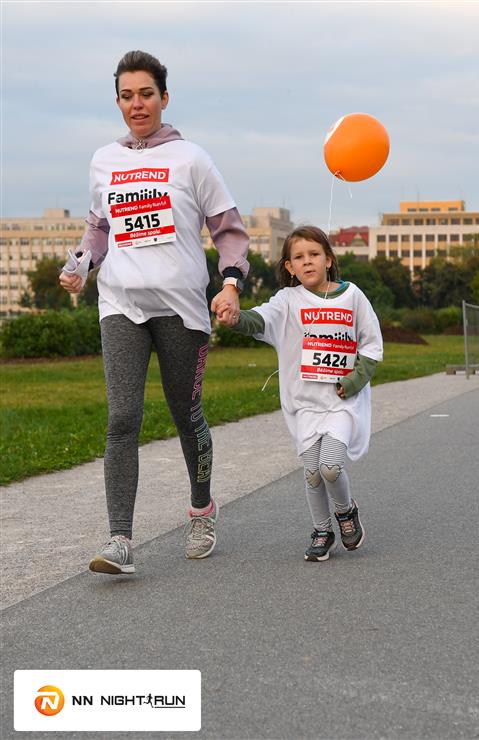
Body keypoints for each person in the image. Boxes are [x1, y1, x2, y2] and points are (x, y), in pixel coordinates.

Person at [59, 50, 249, 573]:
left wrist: (230, 285)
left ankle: (202, 509)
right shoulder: (104, 160)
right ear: (118, 102)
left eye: (146, 94)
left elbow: (229, 231)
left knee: (186, 413)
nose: (136, 104)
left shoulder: (192, 159)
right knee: (122, 418)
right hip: (120, 304)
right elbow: (99, 229)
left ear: (164, 98)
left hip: (181, 309)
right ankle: (120, 540)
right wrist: (80, 265)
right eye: (126, 96)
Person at [215, 225, 383, 562]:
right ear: (289, 266)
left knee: (330, 467)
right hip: (305, 405)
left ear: (328, 259)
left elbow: (372, 346)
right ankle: (322, 531)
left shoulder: (352, 296)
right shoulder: (287, 300)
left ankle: (345, 511)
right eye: (299, 257)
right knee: (312, 473)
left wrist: (353, 381)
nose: (307, 262)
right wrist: (235, 318)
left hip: (341, 403)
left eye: (314, 254)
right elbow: (260, 320)